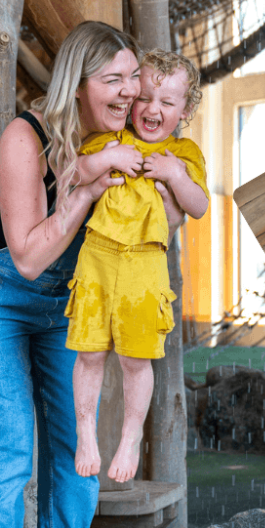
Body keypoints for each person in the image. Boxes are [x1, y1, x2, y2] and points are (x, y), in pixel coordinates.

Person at [0, 21, 186, 528]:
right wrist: (88, 191)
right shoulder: (24, 139)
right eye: (113, 80)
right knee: (9, 448)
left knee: (78, 445)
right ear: (77, 85)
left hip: (71, 298)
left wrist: (170, 194)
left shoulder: (127, 137)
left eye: (133, 77)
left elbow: (167, 220)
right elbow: (29, 260)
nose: (130, 91)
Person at [66, 49, 209, 483]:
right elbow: (72, 172)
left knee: (135, 360)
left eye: (167, 102)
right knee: (90, 353)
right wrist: (108, 159)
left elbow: (198, 206)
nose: (152, 109)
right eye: (144, 97)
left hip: (146, 265)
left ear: (185, 110)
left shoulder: (183, 152)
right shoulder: (111, 138)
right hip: (97, 256)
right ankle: (85, 431)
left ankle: (130, 437)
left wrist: (175, 175)